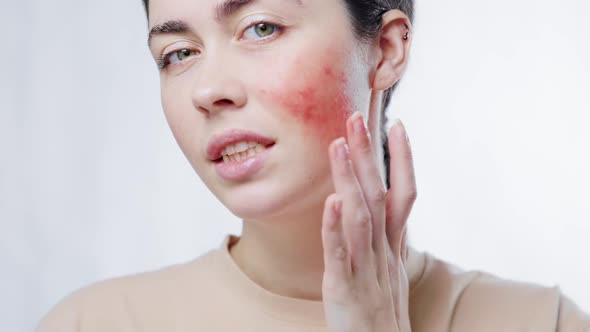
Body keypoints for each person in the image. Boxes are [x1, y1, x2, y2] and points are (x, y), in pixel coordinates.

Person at [37, 0, 590, 331]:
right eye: (178, 53)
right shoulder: (95, 324)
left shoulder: (541, 323)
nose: (208, 90)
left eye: (260, 27)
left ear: (386, 49)